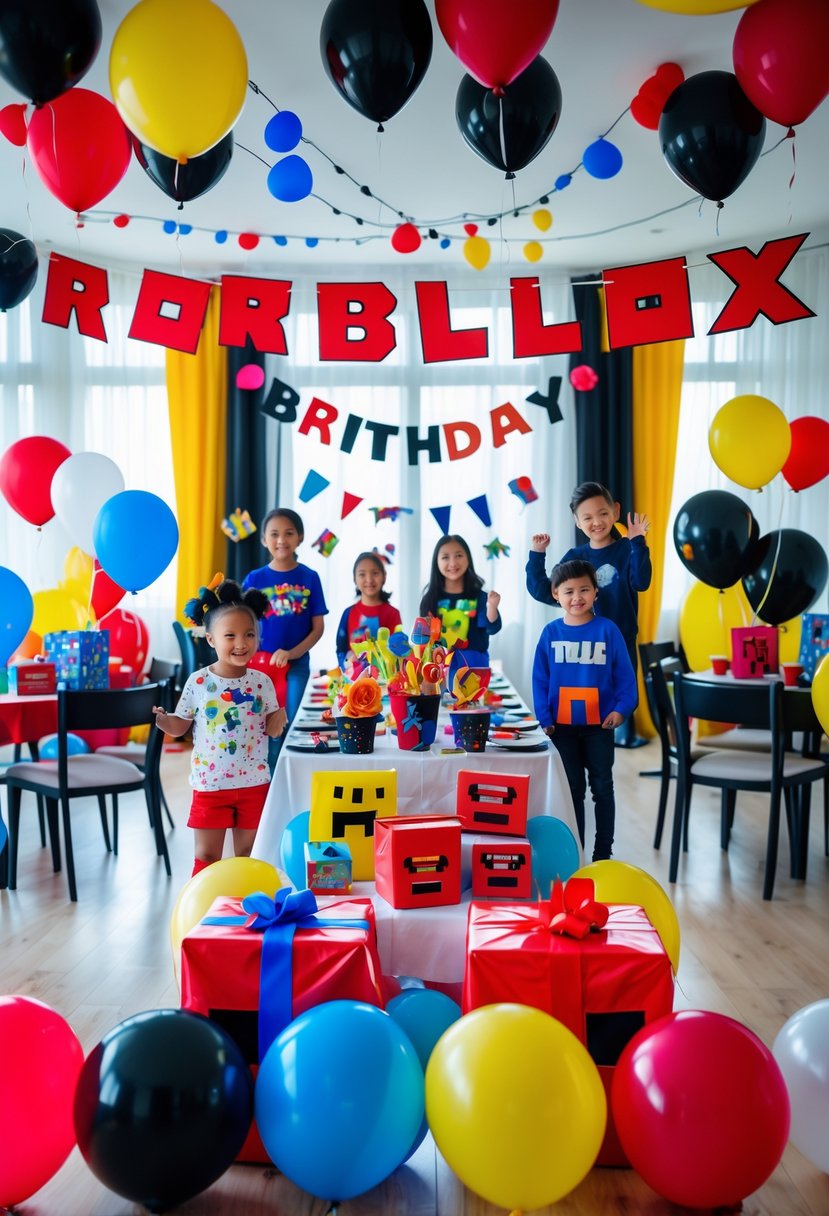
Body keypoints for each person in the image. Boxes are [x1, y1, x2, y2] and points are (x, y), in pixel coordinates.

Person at [153, 579, 287, 877]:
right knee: (207, 855)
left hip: (254, 783)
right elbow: (180, 725)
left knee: (250, 855)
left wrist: (279, 718)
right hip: (210, 785)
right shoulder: (199, 682)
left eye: (249, 634)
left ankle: (246, 913)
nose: (241, 643)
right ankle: (203, 916)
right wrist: (164, 720)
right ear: (211, 639)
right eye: (230, 635)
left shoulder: (262, 682)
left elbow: (273, 730)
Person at [526, 480, 652, 746]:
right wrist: (537, 556)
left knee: (621, 700)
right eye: (587, 517)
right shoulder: (575, 557)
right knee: (584, 712)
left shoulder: (628, 549)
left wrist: (638, 543)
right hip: (582, 646)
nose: (597, 522)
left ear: (616, 511)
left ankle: (620, 740)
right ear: (577, 521)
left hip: (620, 640)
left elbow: (641, 582)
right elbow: (544, 591)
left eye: (603, 513)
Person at [531, 560, 637, 862]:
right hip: (562, 728)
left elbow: (625, 676)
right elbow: (540, 679)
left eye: (584, 589)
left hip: (599, 727)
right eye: (569, 591)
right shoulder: (550, 633)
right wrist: (545, 717)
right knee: (572, 789)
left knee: (603, 788)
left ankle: (603, 853)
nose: (577, 597)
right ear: (555, 594)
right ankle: (575, 850)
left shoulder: (608, 630)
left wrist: (622, 708)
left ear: (595, 592)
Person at [242, 507, 328, 764]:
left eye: (289, 533)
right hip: (260, 668)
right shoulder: (254, 579)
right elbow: (243, 623)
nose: (281, 540)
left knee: (290, 724)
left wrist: (292, 654)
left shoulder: (310, 577)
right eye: (275, 534)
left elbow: (318, 628)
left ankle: (286, 782)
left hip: (297, 666)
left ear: (299, 537)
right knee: (263, 728)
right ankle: (264, 785)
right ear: (264, 539)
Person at [420, 534, 501, 684]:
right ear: (436, 562)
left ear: (468, 558)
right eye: (445, 557)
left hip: (475, 669)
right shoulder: (430, 599)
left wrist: (492, 607)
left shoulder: (480, 597)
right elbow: (424, 641)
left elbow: (492, 628)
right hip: (439, 672)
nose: (453, 562)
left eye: (458, 555)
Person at [335, 551, 402, 669]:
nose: (369, 579)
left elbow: (398, 651)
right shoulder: (348, 613)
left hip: (385, 681)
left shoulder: (393, 614)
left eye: (375, 573)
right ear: (354, 579)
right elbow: (341, 649)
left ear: (384, 577)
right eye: (362, 574)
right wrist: (346, 665)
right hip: (354, 680)